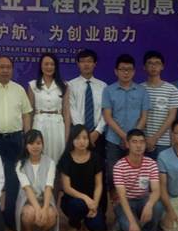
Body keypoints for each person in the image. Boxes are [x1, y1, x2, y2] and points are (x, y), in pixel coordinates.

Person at [0, 55, 32, 230]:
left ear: (12, 69)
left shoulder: (19, 90)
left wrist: (27, 136)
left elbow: (26, 114)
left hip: (15, 139)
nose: (5, 70)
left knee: (13, 180)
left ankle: (10, 217)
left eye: (8, 67)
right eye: (1, 67)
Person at [102, 54, 150, 191]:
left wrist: (133, 139)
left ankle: (136, 199)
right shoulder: (108, 90)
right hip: (114, 140)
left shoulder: (142, 91)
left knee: (137, 173)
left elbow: (144, 117)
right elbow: (108, 117)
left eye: (129, 69)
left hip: (137, 141)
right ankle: (115, 201)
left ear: (134, 71)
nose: (126, 73)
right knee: (112, 174)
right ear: (116, 71)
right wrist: (125, 137)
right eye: (122, 69)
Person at [68, 49, 108, 212]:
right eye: (83, 61)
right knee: (77, 174)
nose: (86, 64)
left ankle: (100, 212)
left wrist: (97, 132)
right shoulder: (70, 85)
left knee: (99, 174)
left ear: (95, 64)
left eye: (89, 61)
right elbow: (71, 109)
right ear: (78, 64)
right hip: (78, 137)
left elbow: (106, 111)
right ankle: (77, 214)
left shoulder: (103, 86)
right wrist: (83, 134)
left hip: (98, 137)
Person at [113, 129, 163, 231]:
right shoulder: (119, 166)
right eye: (134, 142)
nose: (138, 145)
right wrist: (132, 222)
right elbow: (122, 197)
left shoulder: (151, 163)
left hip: (143, 200)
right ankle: (122, 226)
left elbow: (156, 190)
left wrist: (149, 205)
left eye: (142, 142)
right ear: (127, 144)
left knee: (157, 206)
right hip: (125, 202)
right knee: (131, 229)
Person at [58, 124, 107, 231]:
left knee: (98, 225)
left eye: (85, 138)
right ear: (72, 140)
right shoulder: (66, 158)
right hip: (72, 201)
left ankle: (86, 225)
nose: (82, 141)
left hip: (92, 200)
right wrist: (85, 198)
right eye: (78, 138)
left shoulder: (96, 158)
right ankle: (73, 227)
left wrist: (95, 204)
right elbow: (66, 188)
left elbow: (99, 185)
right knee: (78, 204)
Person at [15, 129, 58, 231]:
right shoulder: (20, 165)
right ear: (26, 145)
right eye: (31, 143)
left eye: (38, 143)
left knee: (50, 215)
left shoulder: (50, 163)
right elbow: (27, 189)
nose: (35, 146)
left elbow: (49, 187)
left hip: (46, 199)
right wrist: (38, 209)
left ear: (43, 144)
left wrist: (44, 208)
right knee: (30, 213)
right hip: (27, 201)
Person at [27, 53, 70, 163]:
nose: (49, 67)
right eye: (46, 64)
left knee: (58, 156)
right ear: (41, 66)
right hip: (39, 124)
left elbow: (66, 111)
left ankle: (55, 175)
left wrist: (67, 134)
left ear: (56, 66)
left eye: (52, 64)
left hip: (57, 125)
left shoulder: (64, 85)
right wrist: (28, 133)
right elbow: (29, 112)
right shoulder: (33, 85)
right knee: (39, 154)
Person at [141, 50, 178, 159]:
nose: (153, 66)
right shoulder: (139, 89)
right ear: (144, 67)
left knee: (161, 170)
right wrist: (143, 138)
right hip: (141, 141)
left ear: (162, 66)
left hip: (163, 141)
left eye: (157, 63)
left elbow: (171, 117)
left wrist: (155, 137)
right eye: (150, 63)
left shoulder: (172, 89)